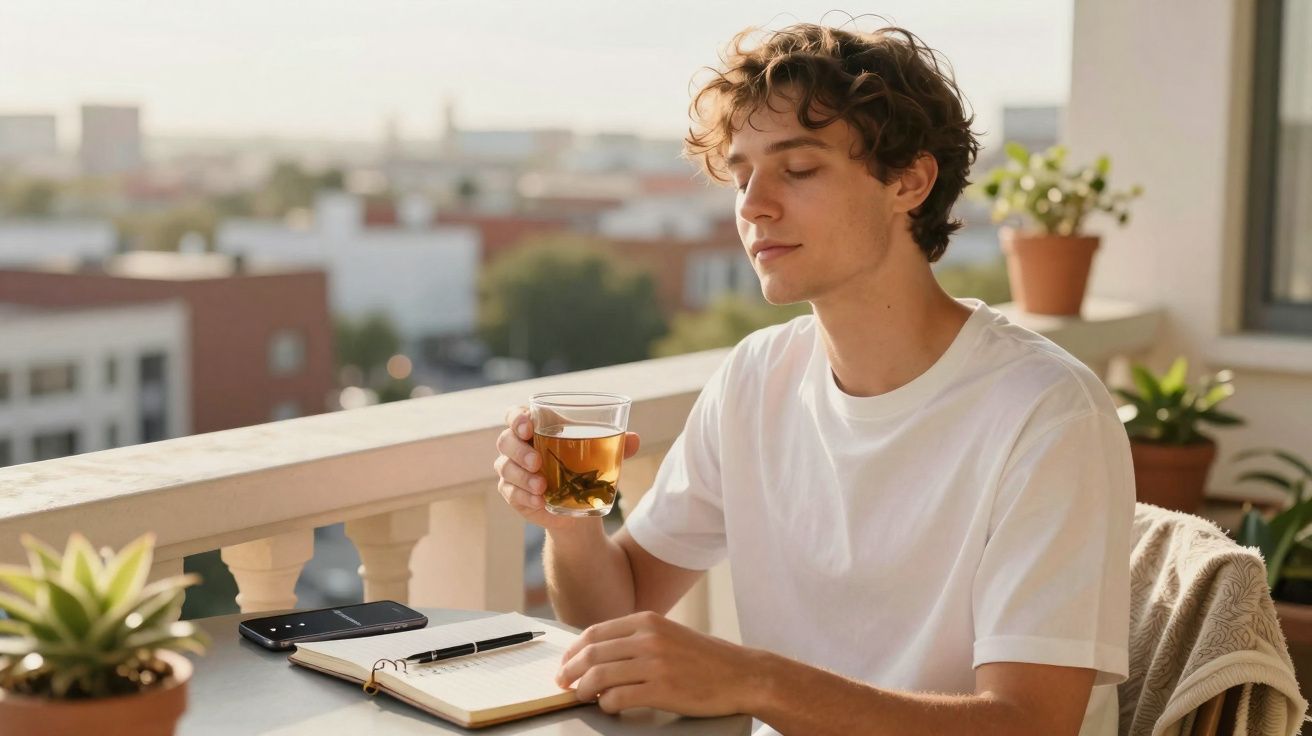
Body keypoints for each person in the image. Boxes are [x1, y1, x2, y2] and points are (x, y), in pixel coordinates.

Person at [493, 21, 1132, 736]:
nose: (753, 204)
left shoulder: (1045, 412)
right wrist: (571, 527)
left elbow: (1030, 725)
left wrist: (754, 678)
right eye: (741, 176)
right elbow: (615, 616)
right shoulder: (755, 379)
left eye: (797, 170)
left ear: (909, 182)